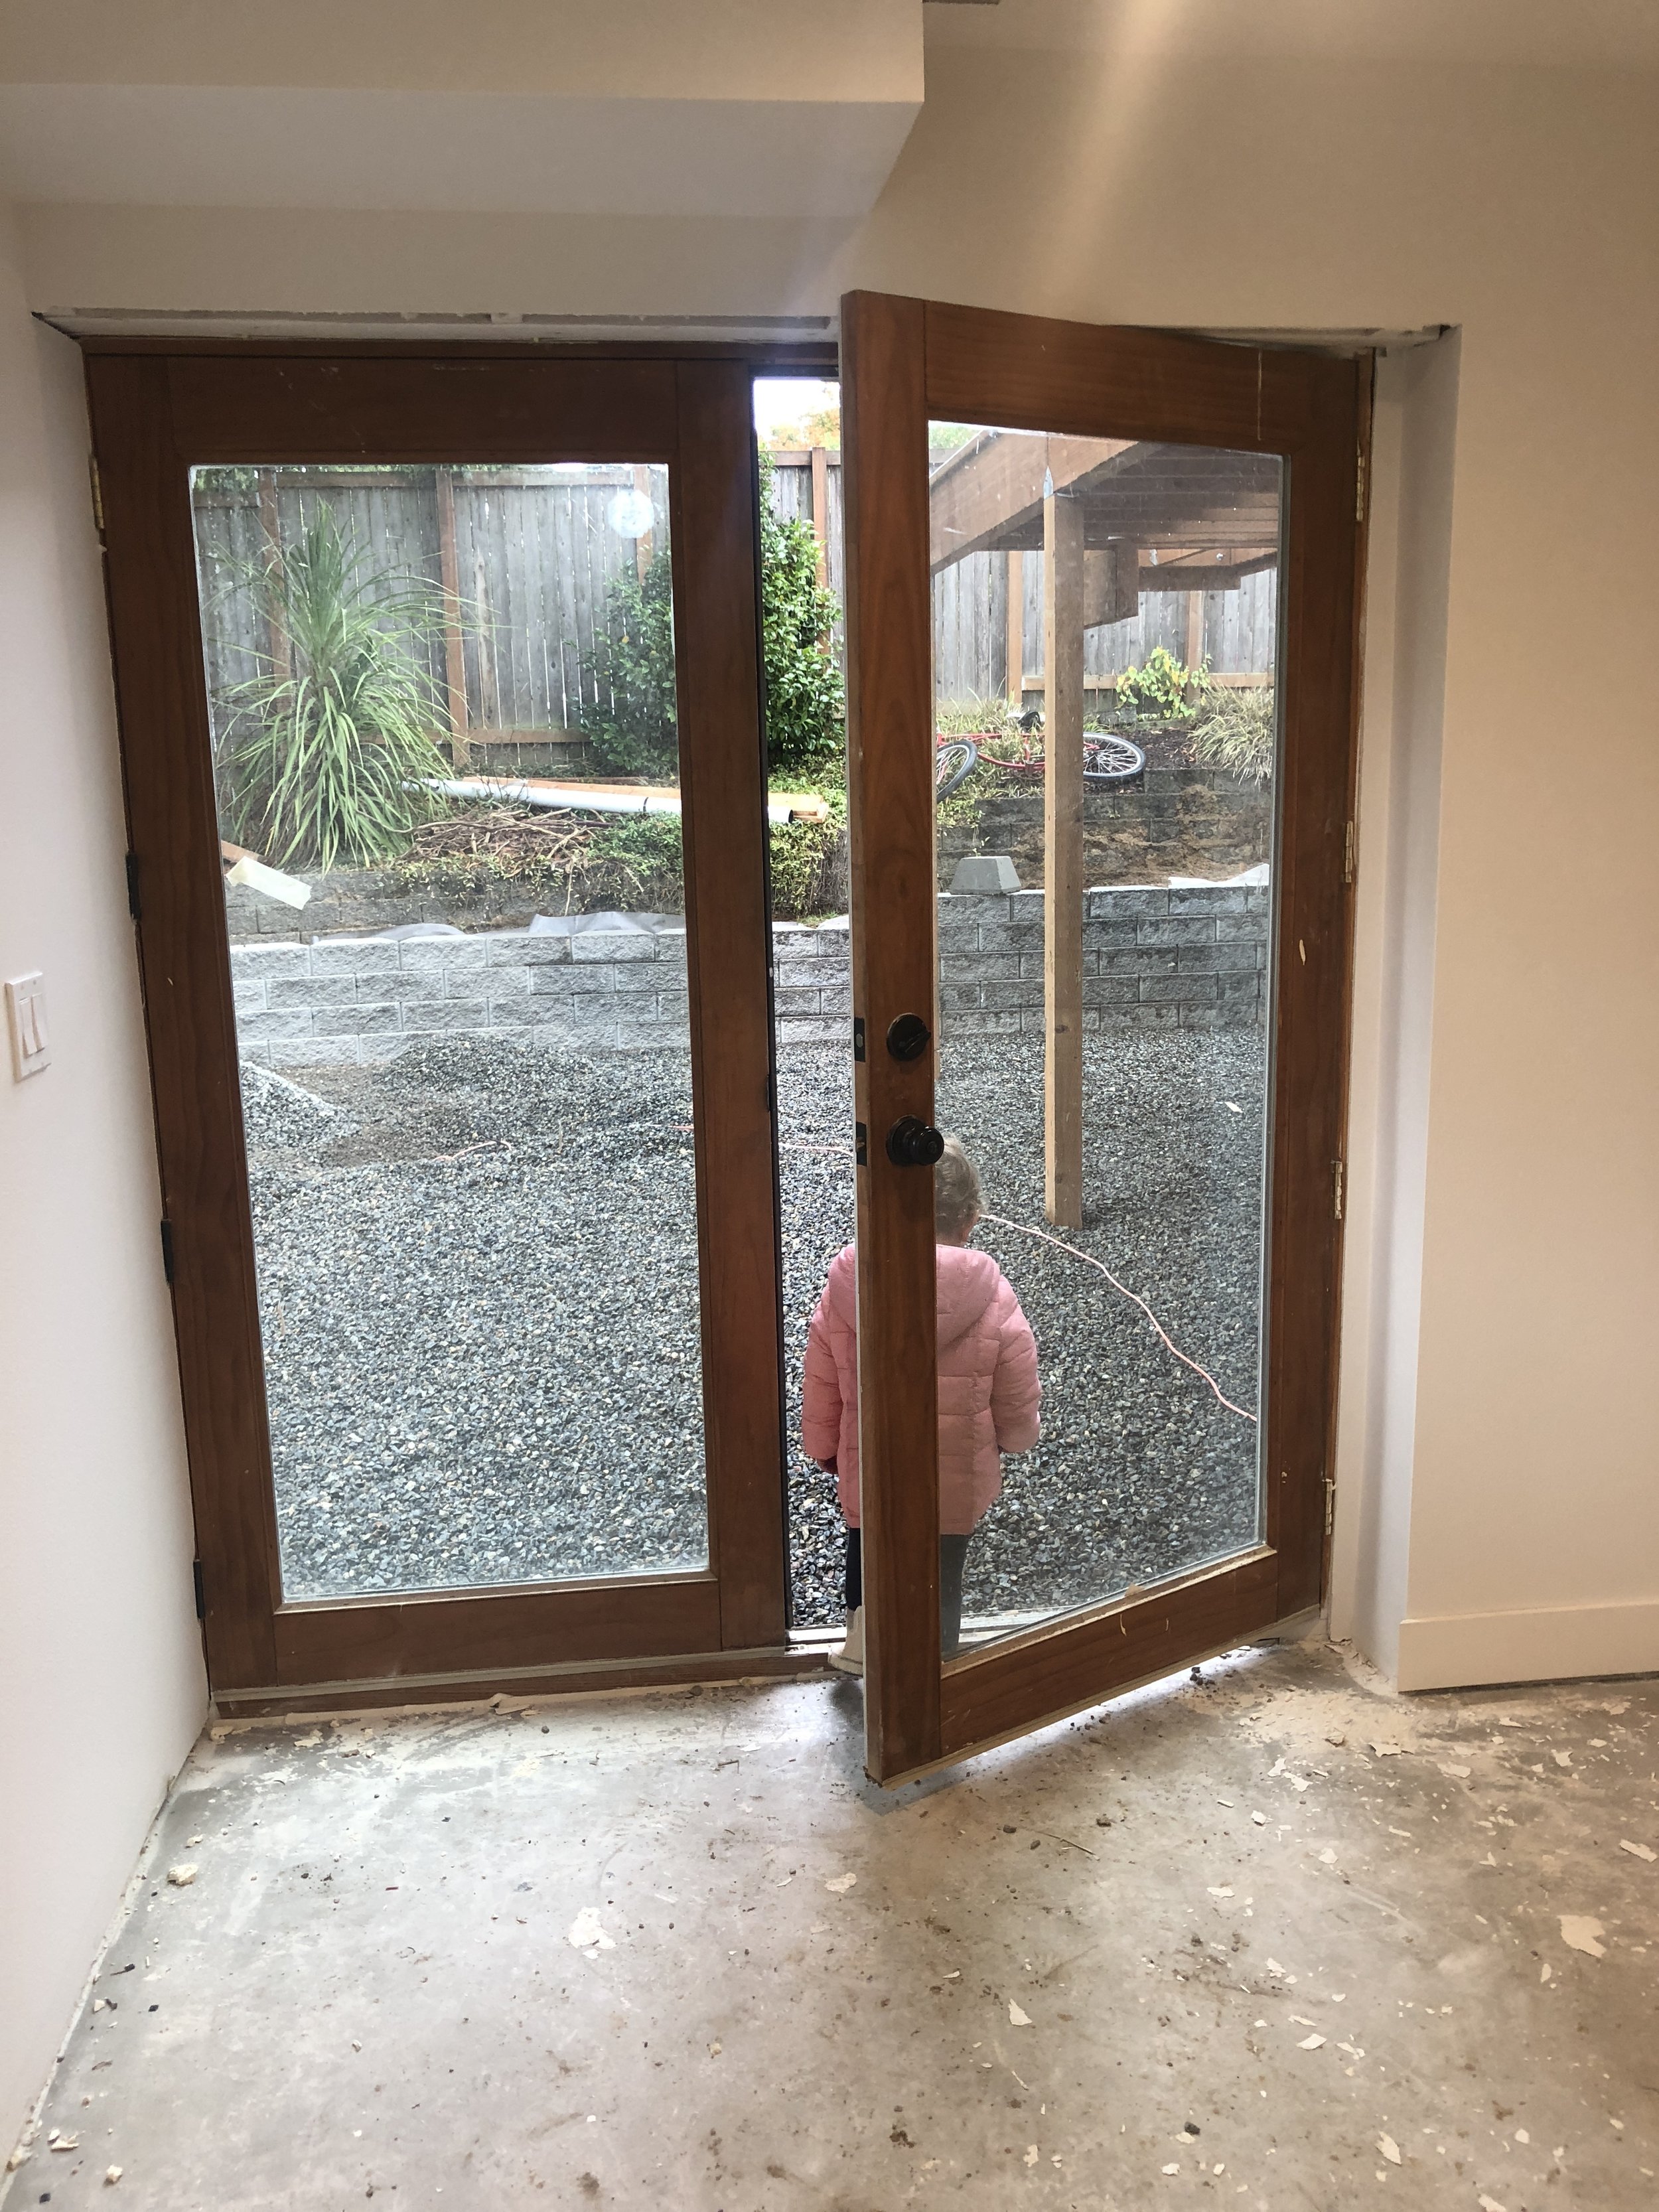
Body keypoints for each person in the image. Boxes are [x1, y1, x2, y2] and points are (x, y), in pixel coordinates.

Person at [802, 1136, 1041, 1675]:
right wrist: (1017, 1436)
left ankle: (865, 1643)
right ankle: (936, 1658)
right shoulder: (994, 1295)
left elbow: (822, 1378)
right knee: (942, 1568)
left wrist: (822, 1448)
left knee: (865, 1546)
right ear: (971, 1219)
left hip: (872, 1465)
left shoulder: (846, 1287)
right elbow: (1016, 1383)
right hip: (952, 1477)